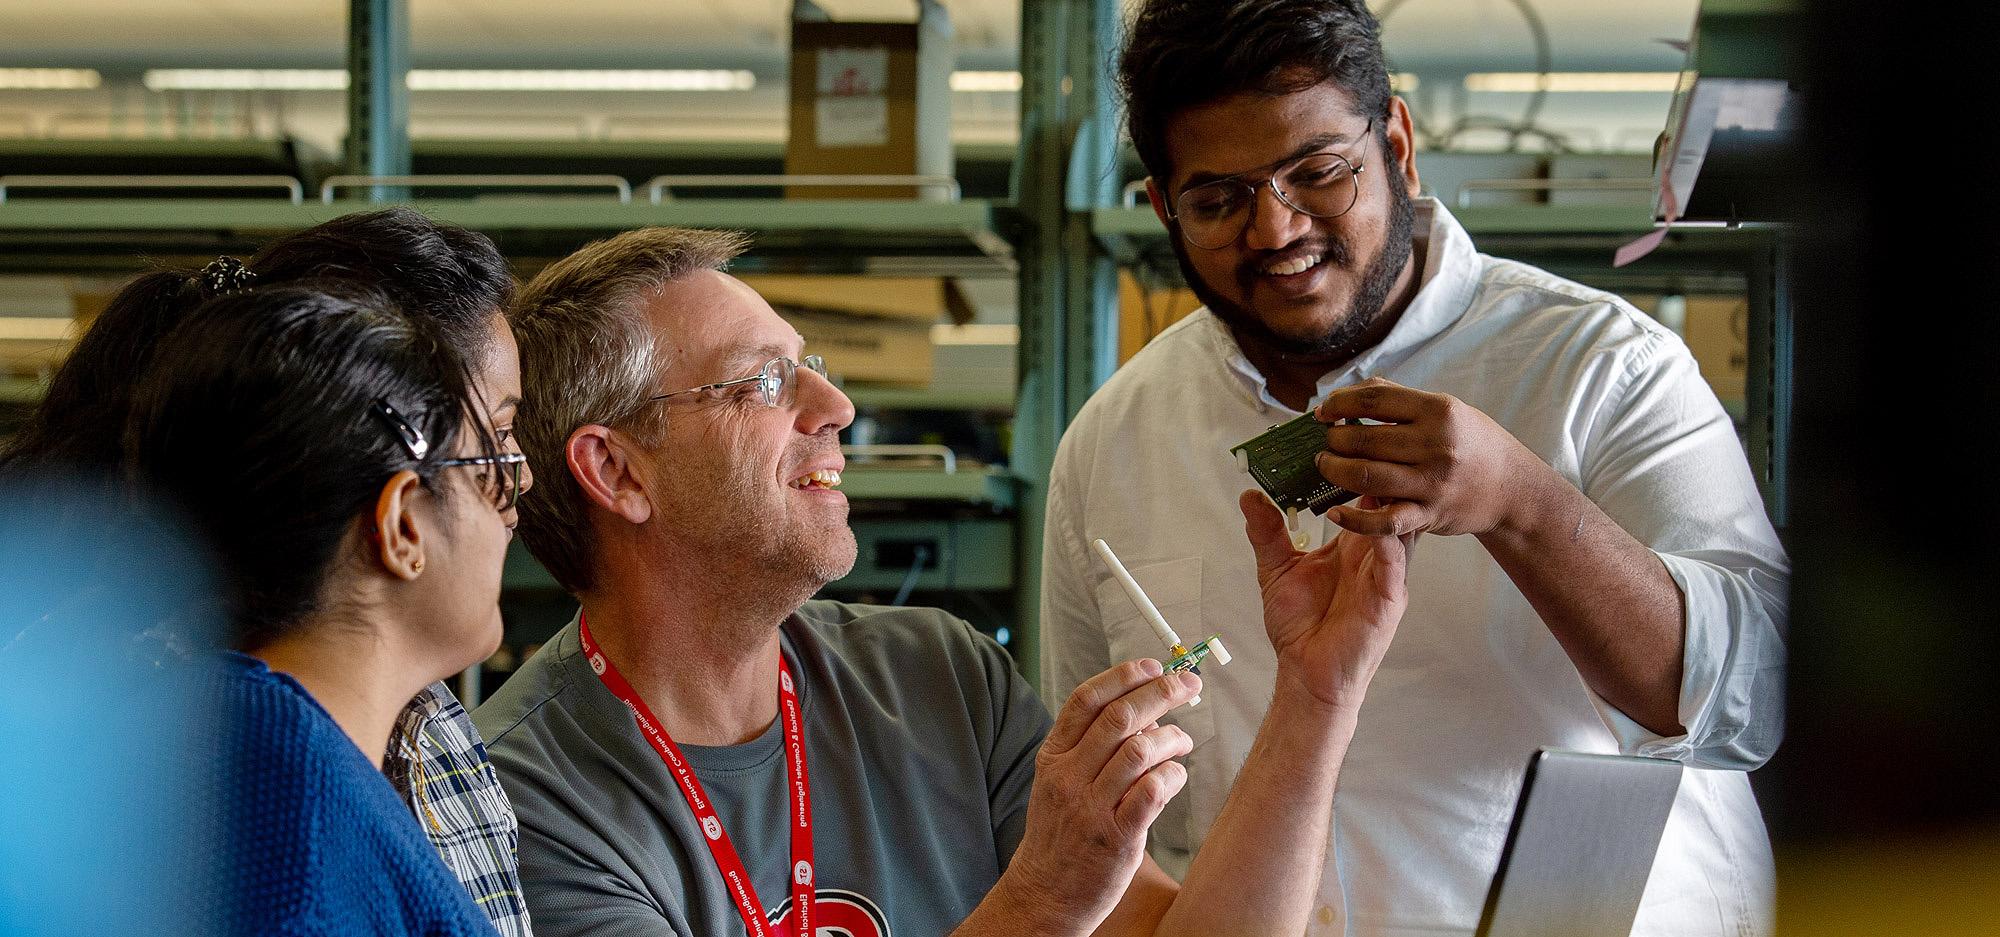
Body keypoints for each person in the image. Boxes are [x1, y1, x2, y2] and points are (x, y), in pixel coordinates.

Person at [1039, 2, 1789, 936]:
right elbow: (1096, 820)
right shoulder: (1112, 444)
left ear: (1394, 139)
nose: (1274, 231)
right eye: (1218, 200)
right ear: (1162, 206)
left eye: (1317, 173)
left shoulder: (1603, 368)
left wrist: (1524, 505)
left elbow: (1753, 701)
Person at [474, 226, 1414, 937]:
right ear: (617, 472)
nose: (835, 408)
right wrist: (1042, 900)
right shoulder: (526, 801)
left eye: (815, 368)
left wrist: (1319, 689)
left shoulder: (938, 678)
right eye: (763, 382)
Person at [0, 208, 537, 937]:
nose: (518, 483)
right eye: (491, 451)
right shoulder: (277, 814)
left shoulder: (335, 741)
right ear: (403, 520)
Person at [124, 285, 531, 935]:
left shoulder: (232, 755)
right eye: (490, 465)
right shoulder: (299, 847)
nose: (513, 502)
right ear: (401, 526)